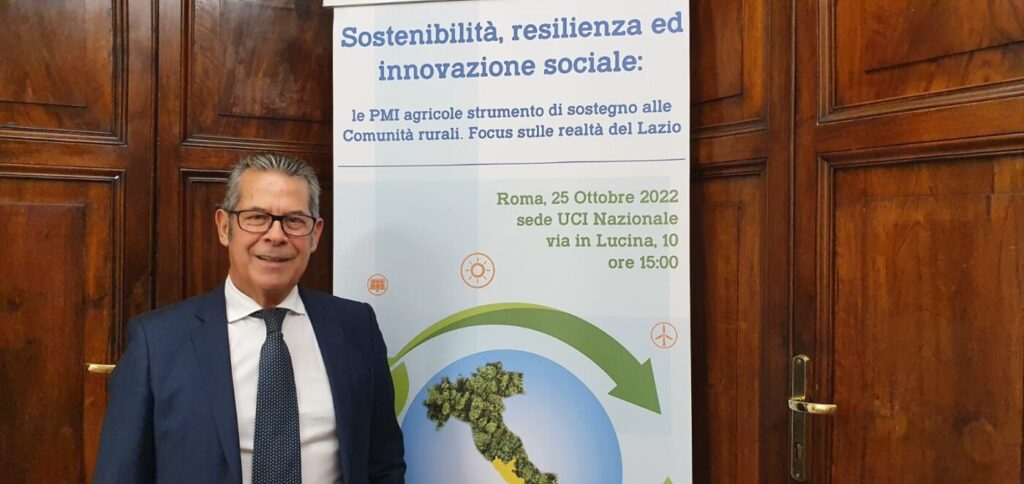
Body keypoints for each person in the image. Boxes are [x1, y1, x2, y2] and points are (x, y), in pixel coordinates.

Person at [94, 152, 405, 483]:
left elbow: (383, 463)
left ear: (315, 234)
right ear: (224, 227)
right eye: (256, 217)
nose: (276, 235)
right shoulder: (157, 343)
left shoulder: (355, 327)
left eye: (294, 220)